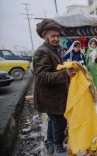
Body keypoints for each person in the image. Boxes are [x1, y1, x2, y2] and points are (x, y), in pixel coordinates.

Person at [34, 19, 78, 156]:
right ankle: (58, 148)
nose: (56, 39)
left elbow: (55, 69)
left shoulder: (52, 50)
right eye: (53, 36)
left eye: (58, 36)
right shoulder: (42, 51)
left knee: (54, 121)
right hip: (50, 98)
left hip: (54, 96)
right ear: (44, 36)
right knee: (59, 122)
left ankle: (51, 144)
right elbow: (41, 77)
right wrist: (65, 74)